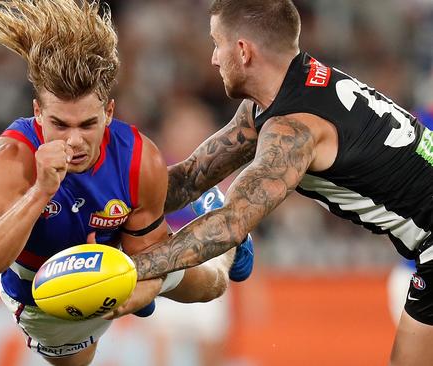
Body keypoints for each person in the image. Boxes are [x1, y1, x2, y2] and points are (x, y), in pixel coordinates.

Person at [128, 0, 433, 364]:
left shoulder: (295, 127)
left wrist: (131, 269)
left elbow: (229, 225)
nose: (212, 58)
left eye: (216, 43)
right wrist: (108, 213)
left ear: (242, 51)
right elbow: (193, 175)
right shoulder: (285, 93)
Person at [0, 1, 249, 365]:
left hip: (122, 257)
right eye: (60, 125)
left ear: (108, 112)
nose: (74, 141)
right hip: (39, 290)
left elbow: (151, 262)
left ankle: (228, 247)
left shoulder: (140, 159)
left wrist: (129, 288)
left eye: (87, 125)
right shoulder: (11, 156)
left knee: (212, 286)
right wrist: (40, 192)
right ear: (37, 112)